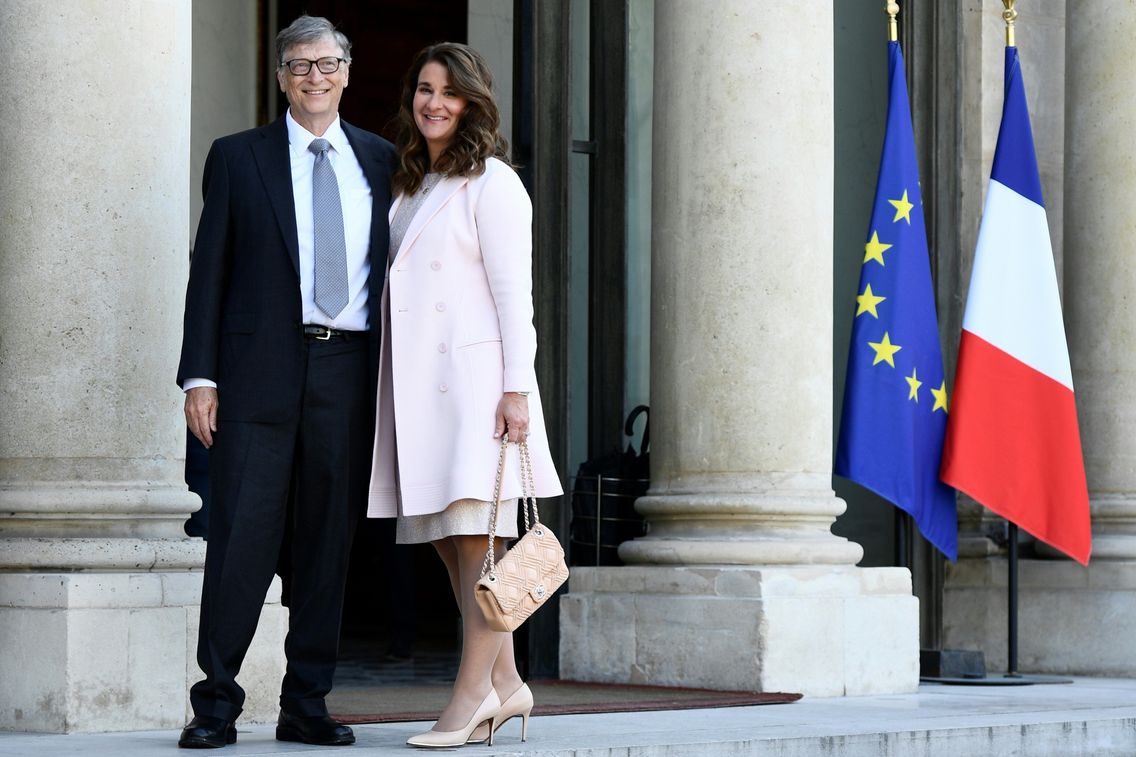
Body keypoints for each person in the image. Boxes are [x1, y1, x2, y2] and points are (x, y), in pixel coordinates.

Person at [176, 15, 395, 749]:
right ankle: (216, 705)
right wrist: (199, 377)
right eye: (299, 65)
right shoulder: (239, 158)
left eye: (326, 63)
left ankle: (307, 703)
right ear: (280, 77)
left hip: (349, 369)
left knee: (328, 540)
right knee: (240, 534)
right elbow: (208, 272)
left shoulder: (382, 161)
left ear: (346, 71)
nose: (314, 76)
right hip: (257, 371)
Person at [367, 43, 562, 748]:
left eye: (449, 92)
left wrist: (517, 391)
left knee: (481, 544)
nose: (434, 103)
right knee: (455, 544)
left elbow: (518, 300)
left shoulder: (494, 182)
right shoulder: (410, 182)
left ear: (473, 101)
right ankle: (508, 685)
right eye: (423, 89)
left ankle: (471, 695)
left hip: (478, 389)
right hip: (424, 391)